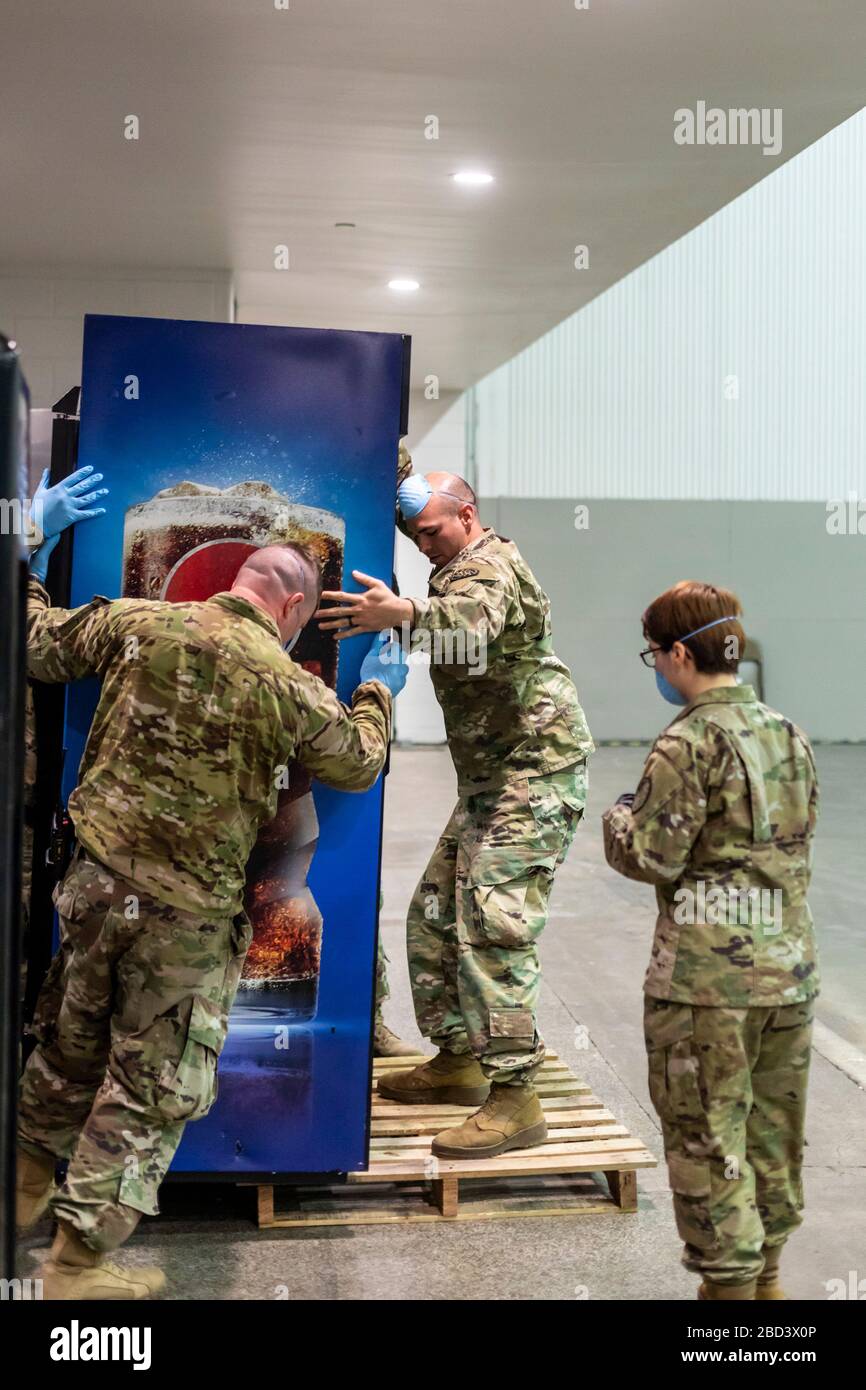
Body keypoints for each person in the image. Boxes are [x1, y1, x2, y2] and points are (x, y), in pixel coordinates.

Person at [17, 522, 407, 1300]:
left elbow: (34, 644)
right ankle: (75, 1266)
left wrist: (27, 559)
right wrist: (376, 691)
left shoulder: (136, 621)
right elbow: (359, 763)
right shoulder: (287, 683)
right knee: (150, 1085)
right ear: (292, 603)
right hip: (183, 921)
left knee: (67, 1045)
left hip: (95, 891)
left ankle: (17, 1198)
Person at [316, 447, 593, 1158]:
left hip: (536, 772)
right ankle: (460, 1060)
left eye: (434, 531)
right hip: (490, 778)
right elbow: (403, 482)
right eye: (415, 535)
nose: (424, 543)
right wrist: (385, 453)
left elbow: (469, 624)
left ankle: (516, 1097)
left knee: (492, 928)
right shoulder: (451, 564)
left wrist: (400, 612)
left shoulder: (491, 566)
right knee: (435, 914)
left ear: (467, 515)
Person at [602, 580, 819, 1302]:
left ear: (675, 653)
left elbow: (651, 858)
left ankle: (729, 1309)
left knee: (707, 1141)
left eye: (654, 655)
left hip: (705, 987)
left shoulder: (686, 742)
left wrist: (618, 817)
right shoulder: (787, 732)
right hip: (787, 976)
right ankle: (769, 1289)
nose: (657, 669)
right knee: (772, 1136)